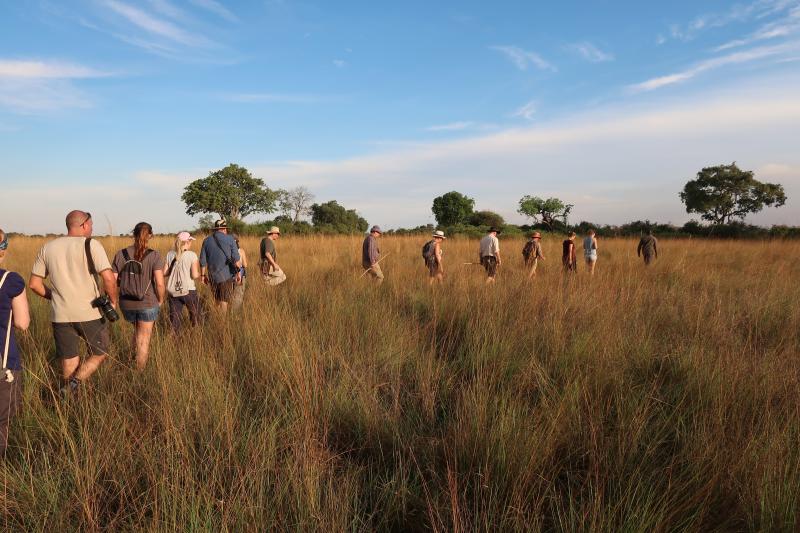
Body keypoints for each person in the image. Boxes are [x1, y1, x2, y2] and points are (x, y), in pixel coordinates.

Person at [29, 210, 118, 394]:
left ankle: (69, 399)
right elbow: (109, 278)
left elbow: (34, 284)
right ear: (84, 225)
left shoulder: (48, 247)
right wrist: (113, 301)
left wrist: (54, 296)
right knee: (100, 353)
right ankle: (75, 384)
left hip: (60, 314)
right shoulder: (92, 244)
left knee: (69, 360)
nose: (92, 228)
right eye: (91, 225)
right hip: (90, 313)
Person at [112, 222, 165, 370]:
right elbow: (160, 283)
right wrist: (161, 300)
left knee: (137, 332)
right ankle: (139, 372)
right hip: (147, 302)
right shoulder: (154, 255)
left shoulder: (120, 254)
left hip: (126, 303)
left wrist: (113, 300)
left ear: (134, 234)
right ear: (150, 236)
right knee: (144, 339)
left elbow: (112, 281)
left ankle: (130, 361)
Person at [0, 229, 30, 456]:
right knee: (2, 423)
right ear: (3, 250)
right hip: (4, 363)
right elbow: (22, 323)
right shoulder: (10, 281)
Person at [199, 219, 241, 313]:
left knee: (216, 299)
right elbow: (236, 258)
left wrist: (202, 276)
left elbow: (202, 260)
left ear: (215, 229)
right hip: (226, 275)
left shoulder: (206, 241)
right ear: (224, 229)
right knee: (224, 300)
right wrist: (238, 273)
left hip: (212, 276)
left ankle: (216, 317)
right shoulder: (230, 239)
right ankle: (222, 320)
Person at [164, 231, 201, 332]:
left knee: (175, 319)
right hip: (189, 290)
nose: (191, 243)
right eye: (190, 241)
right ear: (187, 242)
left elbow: (165, 273)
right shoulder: (192, 255)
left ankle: (175, 339)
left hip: (173, 291)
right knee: (195, 316)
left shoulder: (170, 254)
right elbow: (194, 275)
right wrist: (201, 275)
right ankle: (196, 335)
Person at [231, 235, 248, 310]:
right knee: (238, 296)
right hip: (240, 275)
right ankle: (234, 313)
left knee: (228, 295)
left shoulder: (226, 251)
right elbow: (245, 265)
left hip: (228, 275)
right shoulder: (241, 251)